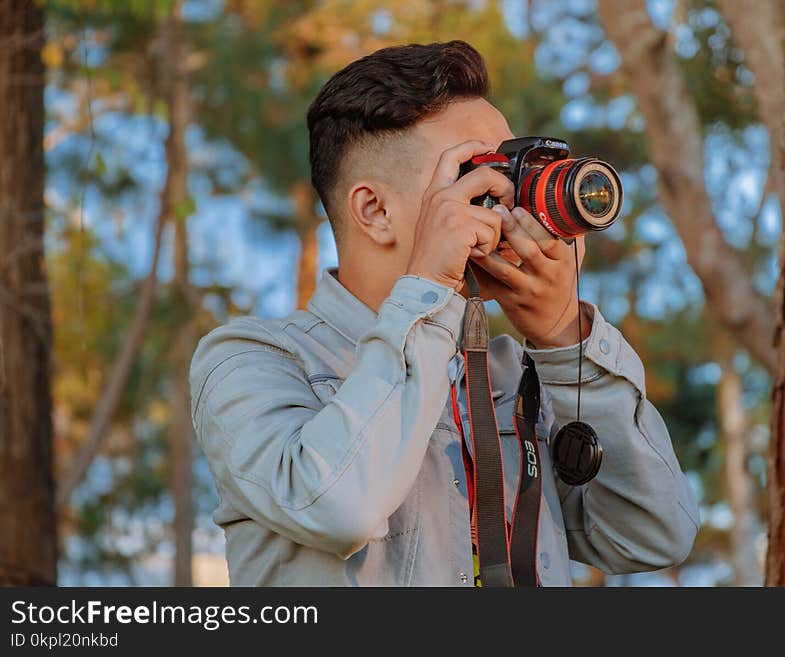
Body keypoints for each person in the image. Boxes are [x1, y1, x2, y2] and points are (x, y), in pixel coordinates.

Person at [190, 40, 699, 586]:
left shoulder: (511, 377)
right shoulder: (253, 360)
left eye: (512, 175)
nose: (507, 203)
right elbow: (340, 507)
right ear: (375, 210)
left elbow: (652, 532)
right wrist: (430, 288)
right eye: (477, 174)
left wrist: (562, 339)